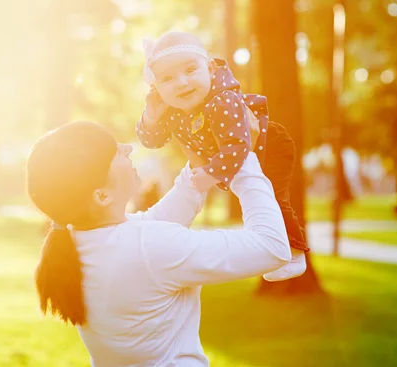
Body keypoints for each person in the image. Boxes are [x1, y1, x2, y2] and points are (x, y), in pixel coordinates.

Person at [26, 120, 292, 367]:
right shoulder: (147, 247)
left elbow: (155, 224)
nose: (127, 148)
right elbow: (272, 246)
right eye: (114, 152)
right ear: (102, 195)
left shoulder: (81, 240)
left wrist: (198, 167)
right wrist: (244, 159)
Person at [136, 31, 309, 281]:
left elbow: (238, 145)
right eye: (167, 78)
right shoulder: (173, 111)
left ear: (209, 68)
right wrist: (151, 116)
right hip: (237, 156)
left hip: (271, 147)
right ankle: (284, 250)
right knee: (263, 197)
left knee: (275, 198)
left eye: (191, 70)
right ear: (156, 88)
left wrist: (210, 173)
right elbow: (152, 141)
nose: (182, 82)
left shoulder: (222, 100)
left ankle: (295, 251)